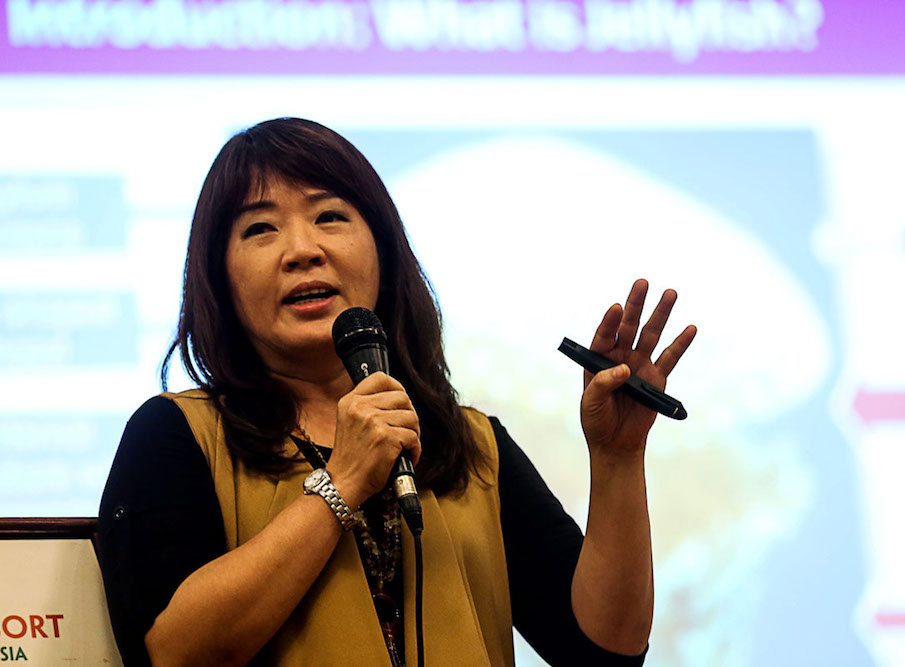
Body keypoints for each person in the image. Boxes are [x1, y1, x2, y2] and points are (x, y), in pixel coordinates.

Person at [97, 117, 696, 666]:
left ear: (382, 249)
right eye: (260, 228)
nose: (303, 249)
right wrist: (343, 482)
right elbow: (172, 653)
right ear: (219, 278)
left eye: (330, 216)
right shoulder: (177, 435)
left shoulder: (471, 443)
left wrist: (618, 459)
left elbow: (603, 650)